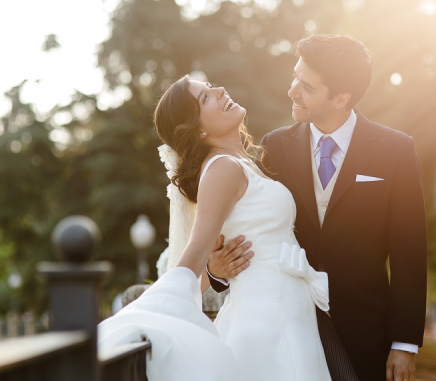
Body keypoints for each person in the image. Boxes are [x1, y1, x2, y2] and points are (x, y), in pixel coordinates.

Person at [208, 34, 428, 381]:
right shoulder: (275, 146)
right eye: (295, 77)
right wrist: (216, 271)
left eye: (307, 86)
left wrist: (404, 343)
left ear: (342, 97)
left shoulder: (395, 151)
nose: (292, 91)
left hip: (365, 332)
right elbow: (253, 224)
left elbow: (410, 254)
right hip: (287, 327)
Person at [98, 75, 332, 381]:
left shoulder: (244, 162)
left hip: (291, 314)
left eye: (211, 89)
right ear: (198, 129)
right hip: (268, 320)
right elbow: (195, 252)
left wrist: (215, 272)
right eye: (206, 98)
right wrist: (149, 309)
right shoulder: (223, 168)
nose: (221, 91)